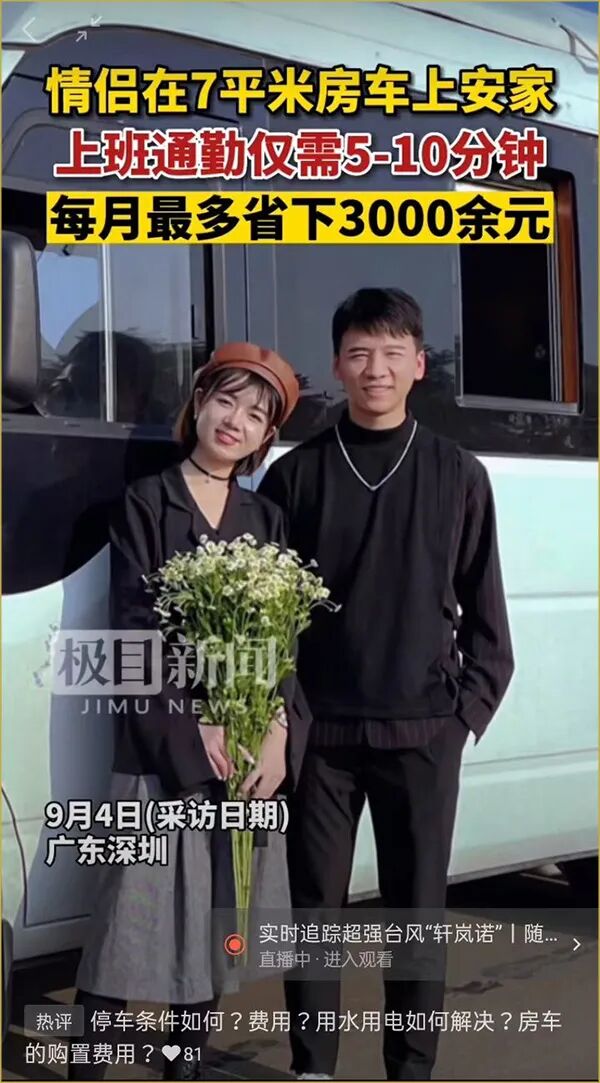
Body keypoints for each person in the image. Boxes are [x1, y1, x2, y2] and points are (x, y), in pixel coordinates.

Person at [258, 288, 515, 1082]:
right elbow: (267, 621)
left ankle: (410, 1068)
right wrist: (278, 719)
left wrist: (462, 717)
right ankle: (313, 1066)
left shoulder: (458, 473)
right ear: (337, 364)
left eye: (392, 352)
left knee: (416, 913)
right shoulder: (294, 477)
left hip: (423, 732)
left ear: (418, 365)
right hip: (321, 736)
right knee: (313, 913)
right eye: (360, 353)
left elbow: (488, 619)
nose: (376, 368)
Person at [70, 342, 311, 1082]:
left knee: (214, 925)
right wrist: (192, 724)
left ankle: (184, 1065)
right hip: (159, 747)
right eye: (225, 400)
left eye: (255, 414)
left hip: (241, 751)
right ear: (199, 404)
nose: (235, 420)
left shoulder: (265, 518)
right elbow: (131, 631)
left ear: (267, 434)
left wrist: (276, 731)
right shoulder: (147, 501)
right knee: (127, 923)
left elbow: (283, 641)